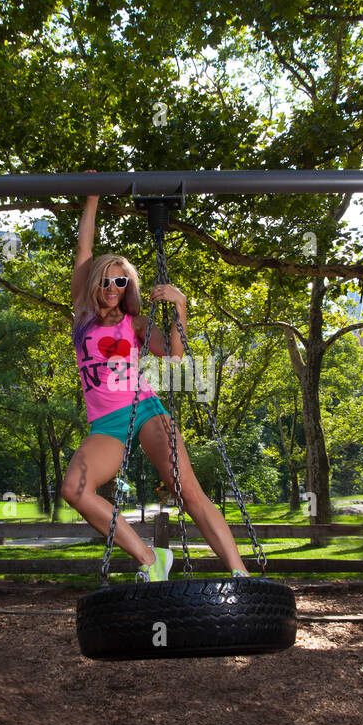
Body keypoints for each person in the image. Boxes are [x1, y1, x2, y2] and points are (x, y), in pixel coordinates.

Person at [60, 172, 250, 583]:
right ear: (96, 282)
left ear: (129, 286)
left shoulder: (138, 323)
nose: (112, 286)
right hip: (106, 424)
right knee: (74, 490)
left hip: (144, 409)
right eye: (106, 279)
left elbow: (177, 358)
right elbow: (84, 249)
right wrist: (90, 198)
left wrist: (180, 307)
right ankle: (150, 560)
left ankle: (239, 573)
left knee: (188, 492)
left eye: (121, 280)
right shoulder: (82, 314)